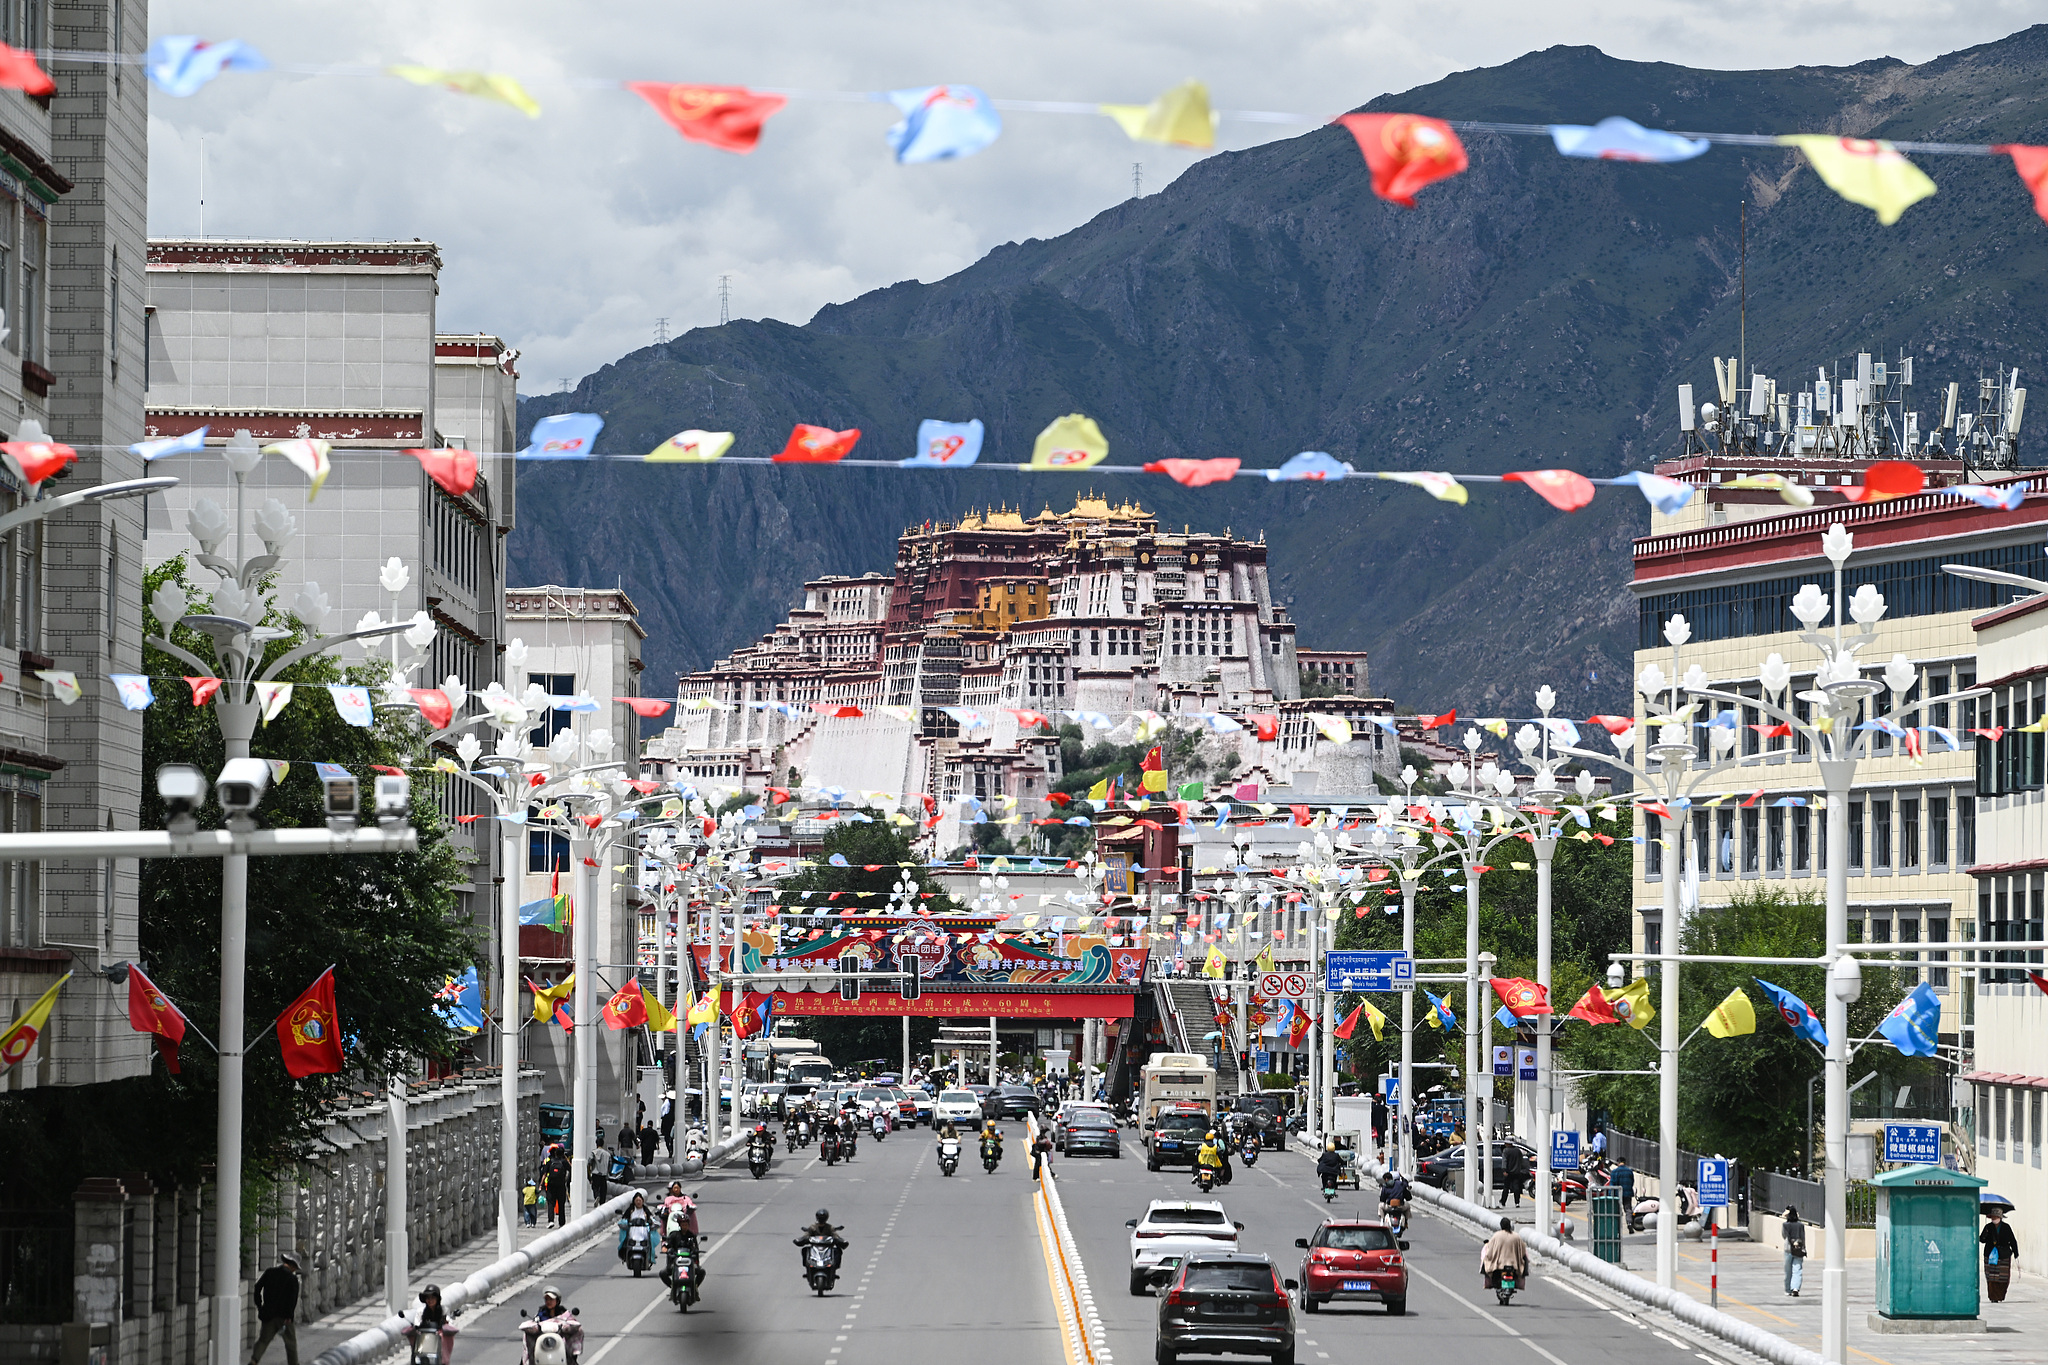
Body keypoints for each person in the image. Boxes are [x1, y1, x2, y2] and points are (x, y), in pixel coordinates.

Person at [250, 1252, 302, 1365]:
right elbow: (292, 1300)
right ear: (292, 1265)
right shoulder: (292, 1279)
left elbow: (257, 1287)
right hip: (284, 1317)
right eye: (295, 1268)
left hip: (268, 1314)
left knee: (263, 1341)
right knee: (291, 1344)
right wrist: (289, 1316)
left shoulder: (270, 1272)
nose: (295, 1270)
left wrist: (260, 1306)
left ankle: (254, 1360)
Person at [402, 1284, 458, 1363]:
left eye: (432, 1298)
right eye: (428, 1298)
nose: (430, 1300)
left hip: (437, 1340)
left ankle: (444, 1361)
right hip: (423, 1339)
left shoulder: (443, 1310)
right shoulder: (420, 1311)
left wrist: (446, 1324)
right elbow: (417, 1323)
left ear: (437, 1299)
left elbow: (449, 1322)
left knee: (444, 1337)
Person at [1981, 1206, 2019, 1303]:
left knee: (2003, 1277)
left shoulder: (2006, 1227)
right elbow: (1982, 1240)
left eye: (1995, 1217)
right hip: (1990, 1255)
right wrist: (1985, 1233)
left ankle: (2000, 1295)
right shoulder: (1988, 1227)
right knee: (1991, 1276)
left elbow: (2012, 1240)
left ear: (2000, 1217)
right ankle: (1993, 1296)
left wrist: (2016, 1253)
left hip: (2003, 1255)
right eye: (1992, 1218)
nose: (1994, 1219)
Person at [1482, 1217, 1529, 1291]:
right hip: (1514, 1265)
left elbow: (1490, 1250)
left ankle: (1488, 1283)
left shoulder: (1496, 1235)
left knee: (1485, 1261)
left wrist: (1488, 1257)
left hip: (1498, 1264)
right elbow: (1522, 1251)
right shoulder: (1516, 1236)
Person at [617, 1192, 654, 1260]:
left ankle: (650, 1255)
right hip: (632, 1230)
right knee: (625, 1240)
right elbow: (624, 1218)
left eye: (640, 1201)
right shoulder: (631, 1210)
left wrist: (651, 1222)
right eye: (637, 1201)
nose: (638, 1202)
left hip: (643, 1230)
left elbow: (651, 1219)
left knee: (651, 1240)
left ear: (643, 1201)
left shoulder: (645, 1210)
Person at [1781, 1206, 1807, 1296]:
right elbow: (1803, 1237)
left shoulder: (1785, 1225)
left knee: (1788, 1271)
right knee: (1797, 1269)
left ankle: (1788, 1289)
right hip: (1799, 1249)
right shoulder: (1801, 1225)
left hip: (1788, 1249)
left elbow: (1784, 1236)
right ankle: (1795, 1288)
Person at [1502, 1142, 1530, 1208]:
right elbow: (1521, 1161)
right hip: (1517, 1172)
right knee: (1516, 1188)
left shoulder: (1506, 1151)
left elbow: (1504, 1161)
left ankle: (1503, 1202)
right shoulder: (1518, 1151)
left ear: (1508, 1144)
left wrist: (1504, 1170)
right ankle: (1517, 1202)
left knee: (1506, 1187)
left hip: (1508, 1172)